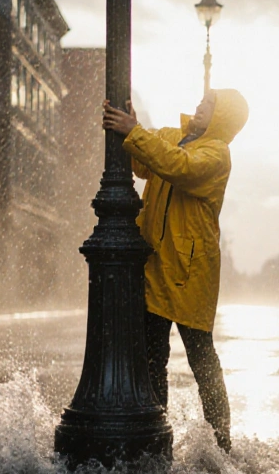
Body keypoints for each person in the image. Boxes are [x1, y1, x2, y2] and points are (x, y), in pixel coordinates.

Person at [102, 88, 249, 453]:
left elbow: (179, 167)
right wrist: (128, 128)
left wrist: (135, 131)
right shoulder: (174, 136)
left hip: (189, 273)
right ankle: (157, 438)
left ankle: (221, 442)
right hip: (155, 267)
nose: (200, 105)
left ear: (221, 118)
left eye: (209, 105)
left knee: (202, 361)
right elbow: (145, 163)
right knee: (154, 359)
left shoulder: (216, 154)